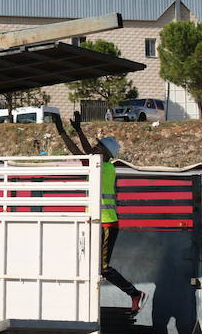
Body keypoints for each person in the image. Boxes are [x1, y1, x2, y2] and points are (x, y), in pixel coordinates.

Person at [51, 113, 145, 313]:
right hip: (95, 223)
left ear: (105, 153)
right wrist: (66, 130)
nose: (93, 149)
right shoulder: (99, 165)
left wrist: (76, 130)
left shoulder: (106, 168)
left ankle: (134, 293)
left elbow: (82, 152)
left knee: (103, 267)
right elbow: (81, 152)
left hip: (107, 224)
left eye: (97, 147)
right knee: (87, 264)